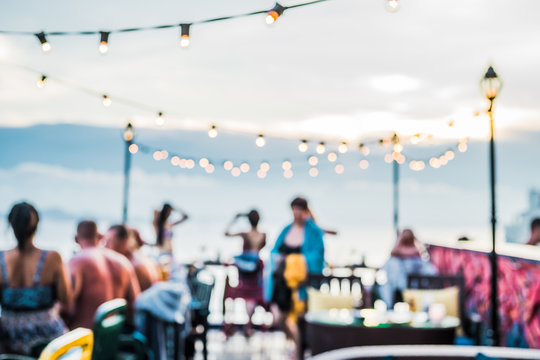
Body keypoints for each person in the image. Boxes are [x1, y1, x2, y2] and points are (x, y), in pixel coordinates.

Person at [0, 202, 72, 355]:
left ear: (11, 225)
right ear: (37, 225)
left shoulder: (1, 259)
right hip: (46, 340)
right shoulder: (53, 257)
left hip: (9, 338)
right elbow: (66, 299)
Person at [265, 197, 325, 359]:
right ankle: (296, 348)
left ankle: (298, 352)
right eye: (294, 209)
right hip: (282, 283)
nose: (296, 213)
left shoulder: (313, 231)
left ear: (305, 211)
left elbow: (318, 257)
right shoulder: (286, 229)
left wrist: (295, 262)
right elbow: (273, 252)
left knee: (297, 321)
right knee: (279, 318)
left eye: (299, 209)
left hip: (301, 285)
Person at [65, 221, 141, 329]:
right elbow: (135, 305)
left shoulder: (77, 262)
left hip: (86, 340)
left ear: (76, 239)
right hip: (114, 338)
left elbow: (65, 308)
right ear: (100, 236)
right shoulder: (123, 262)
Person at [224, 210, 266, 335]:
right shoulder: (263, 235)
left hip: (244, 269)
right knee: (252, 296)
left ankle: (235, 324)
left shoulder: (245, 234)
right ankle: (249, 326)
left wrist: (235, 219)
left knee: (242, 294)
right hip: (256, 268)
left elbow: (226, 233)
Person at [379, 228, 438, 307]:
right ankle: (390, 305)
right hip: (398, 290)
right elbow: (393, 253)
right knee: (392, 269)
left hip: (412, 291)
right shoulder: (395, 259)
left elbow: (432, 271)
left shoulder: (416, 257)